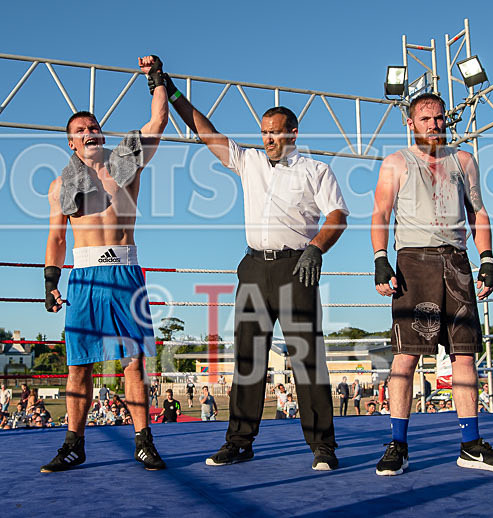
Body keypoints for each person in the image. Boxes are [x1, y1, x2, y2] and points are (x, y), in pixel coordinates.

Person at [166, 73, 347, 472]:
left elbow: (337, 216)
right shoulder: (248, 161)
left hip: (296, 266)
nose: (268, 139)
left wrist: (316, 247)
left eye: (275, 133)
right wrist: (171, 90)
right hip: (252, 267)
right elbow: (206, 131)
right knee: (248, 360)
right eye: (264, 132)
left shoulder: (315, 170)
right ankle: (239, 442)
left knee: (306, 358)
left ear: (293, 133)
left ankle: (323, 447)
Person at [371, 93, 493, 476]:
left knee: (464, 355)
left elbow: (478, 211)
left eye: (439, 118)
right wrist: (380, 258)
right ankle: (397, 445)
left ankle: (470, 445)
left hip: (456, 261)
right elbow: (380, 212)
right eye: (425, 119)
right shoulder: (396, 163)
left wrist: (487, 259)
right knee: (407, 355)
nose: (434, 125)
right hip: (413, 262)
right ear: (410, 123)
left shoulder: (463, 159)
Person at [40, 55, 168, 473]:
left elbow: (158, 122)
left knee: (134, 361)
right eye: (81, 131)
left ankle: (143, 442)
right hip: (84, 276)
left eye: (93, 127)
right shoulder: (61, 185)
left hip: (125, 271)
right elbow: (57, 237)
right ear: (71, 144)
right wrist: (49, 280)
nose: (90, 132)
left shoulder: (124, 164)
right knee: (79, 366)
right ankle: (74, 444)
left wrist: (155, 79)